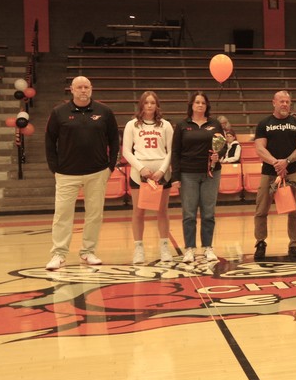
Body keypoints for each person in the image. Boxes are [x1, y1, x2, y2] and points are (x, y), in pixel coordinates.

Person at [44, 76, 120, 270]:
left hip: (97, 172)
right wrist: (54, 167)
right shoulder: (59, 113)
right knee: (62, 215)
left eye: (86, 87)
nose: (83, 90)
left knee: (94, 215)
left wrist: (110, 166)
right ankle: (59, 254)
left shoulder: (104, 112)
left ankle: (88, 252)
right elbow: (49, 141)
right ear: (72, 89)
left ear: (91, 89)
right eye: (79, 87)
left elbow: (114, 140)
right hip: (66, 173)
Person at [252, 91, 296, 260]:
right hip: (269, 173)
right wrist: (276, 163)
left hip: (291, 173)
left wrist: (287, 161)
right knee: (261, 210)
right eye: (281, 101)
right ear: (274, 103)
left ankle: (294, 244)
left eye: (287, 102)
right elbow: (260, 148)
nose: (285, 104)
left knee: (294, 211)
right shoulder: (264, 123)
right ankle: (260, 242)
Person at [171, 91, 226, 263]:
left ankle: (208, 247)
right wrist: (176, 177)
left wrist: (219, 155)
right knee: (189, 213)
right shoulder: (182, 126)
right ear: (192, 105)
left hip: (211, 173)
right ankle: (189, 249)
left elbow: (222, 146)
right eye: (197, 102)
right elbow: (175, 152)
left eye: (203, 102)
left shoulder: (215, 124)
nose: (200, 105)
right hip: (188, 174)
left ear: (207, 105)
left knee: (208, 212)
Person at [122, 91, 174, 264]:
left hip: (161, 174)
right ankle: (138, 248)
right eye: (146, 103)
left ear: (157, 105)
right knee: (138, 212)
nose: (150, 105)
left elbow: (171, 151)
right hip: (139, 175)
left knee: (162, 211)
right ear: (141, 105)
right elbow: (126, 151)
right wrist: (141, 168)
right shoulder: (132, 125)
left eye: (153, 102)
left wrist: (162, 170)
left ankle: (165, 247)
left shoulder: (165, 125)